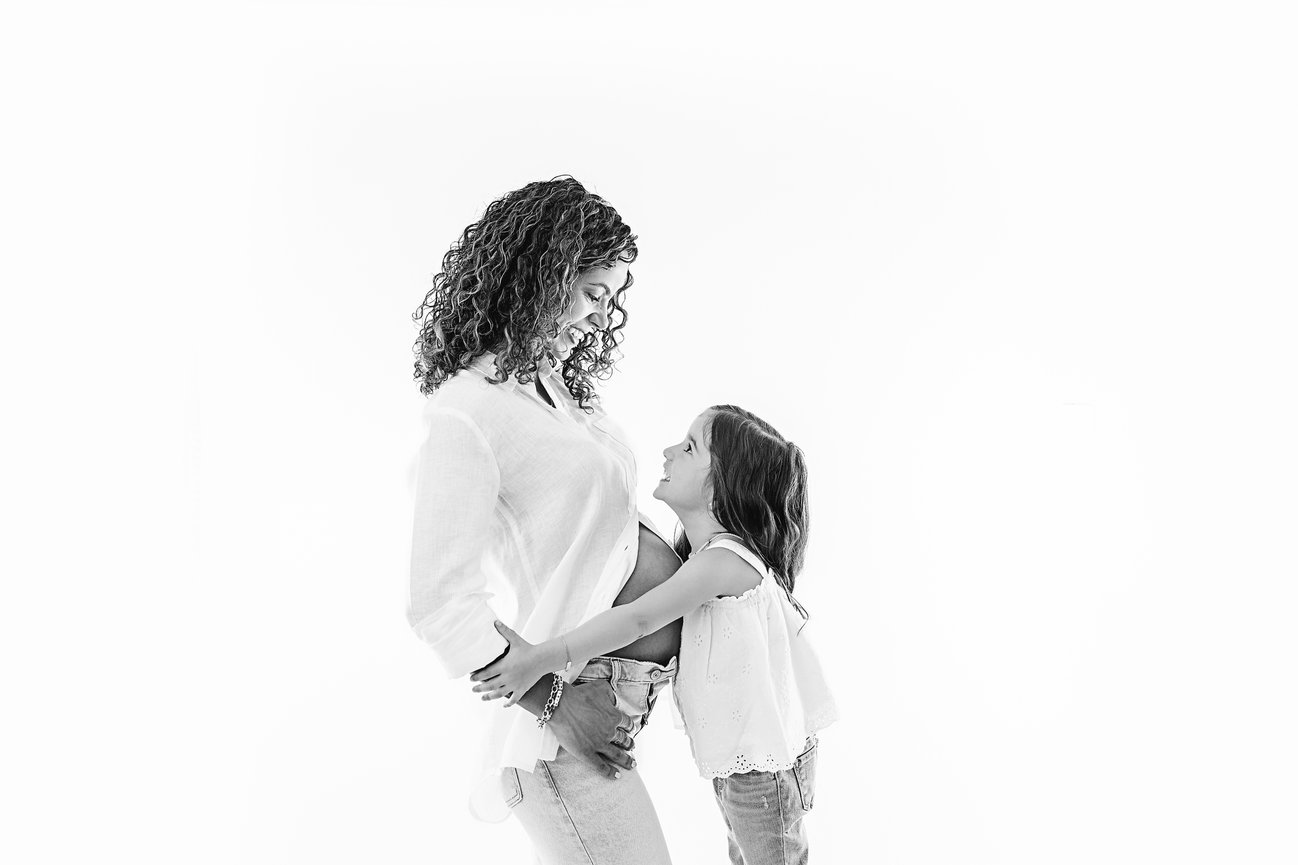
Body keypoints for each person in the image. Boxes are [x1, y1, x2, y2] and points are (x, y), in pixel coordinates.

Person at [407, 177, 682, 864]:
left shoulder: (552, 389)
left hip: (609, 693)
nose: (601, 316)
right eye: (594, 294)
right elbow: (438, 603)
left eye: (611, 299)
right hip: (567, 716)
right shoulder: (466, 412)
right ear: (542, 276)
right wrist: (558, 704)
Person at [472, 405, 839, 865]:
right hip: (746, 767)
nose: (668, 452)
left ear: (725, 487)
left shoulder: (726, 561)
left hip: (764, 772)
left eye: (690, 448)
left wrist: (542, 658)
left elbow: (637, 620)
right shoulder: (712, 558)